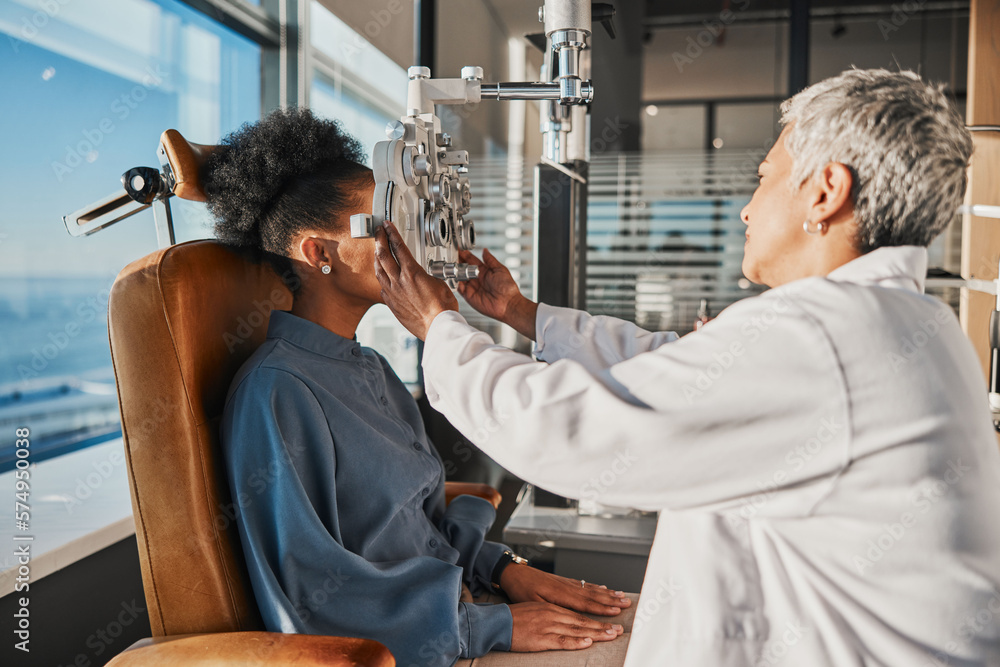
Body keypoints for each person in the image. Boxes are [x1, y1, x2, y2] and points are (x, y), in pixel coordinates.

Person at [373, 69, 1000, 665]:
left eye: (764, 177)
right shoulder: (905, 322)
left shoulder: (824, 337)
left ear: (825, 191)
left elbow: (574, 430)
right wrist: (521, 313)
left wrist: (438, 328)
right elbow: (677, 367)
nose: (748, 209)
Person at [202, 108, 633, 667]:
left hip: (468, 607)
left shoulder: (372, 369)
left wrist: (503, 569)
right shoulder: (276, 392)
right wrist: (483, 626)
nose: (404, 239)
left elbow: (422, 523)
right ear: (318, 253)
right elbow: (312, 597)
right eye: (383, 223)